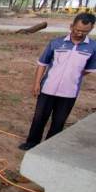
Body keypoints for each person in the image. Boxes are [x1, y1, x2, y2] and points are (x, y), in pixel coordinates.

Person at [19, 12, 96, 151]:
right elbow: (42, 63)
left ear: (91, 29)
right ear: (71, 26)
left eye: (84, 31)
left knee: (59, 121)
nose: (79, 33)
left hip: (69, 92)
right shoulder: (56, 42)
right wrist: (37, 83)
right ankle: (32, 142)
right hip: (48, 88)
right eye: (77, 29)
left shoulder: (92, 47)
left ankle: (49, 147)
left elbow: (90, 68)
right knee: (39, 118)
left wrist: (74, 75)